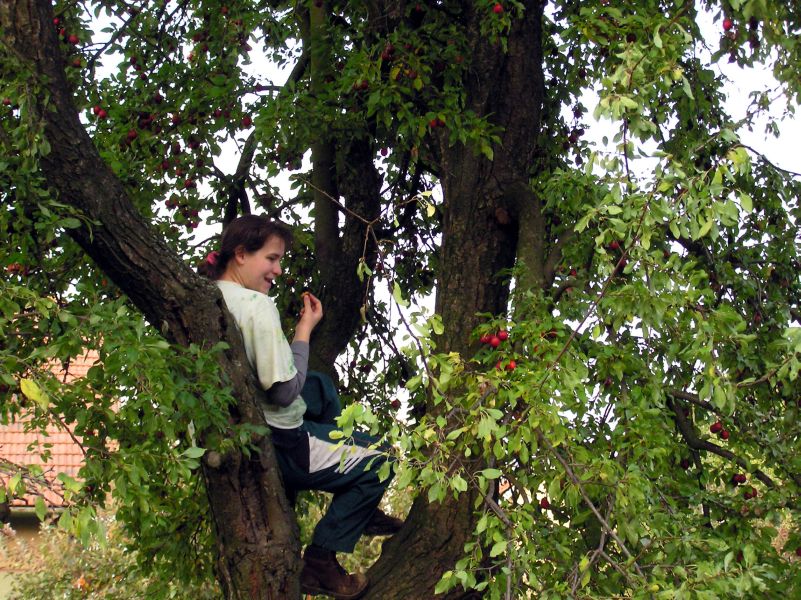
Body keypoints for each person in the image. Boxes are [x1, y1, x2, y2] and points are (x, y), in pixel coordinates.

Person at [198, 214, 402, 600]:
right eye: (271, 259)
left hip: (235, 426)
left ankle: (353, 498)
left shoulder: (208, 294)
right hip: (281, 440)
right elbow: (284, 392)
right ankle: (321, 561)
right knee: (383, 458)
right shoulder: (257, 306)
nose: (277, 270)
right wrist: (304, 331)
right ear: (240, 254)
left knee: (320, 386)